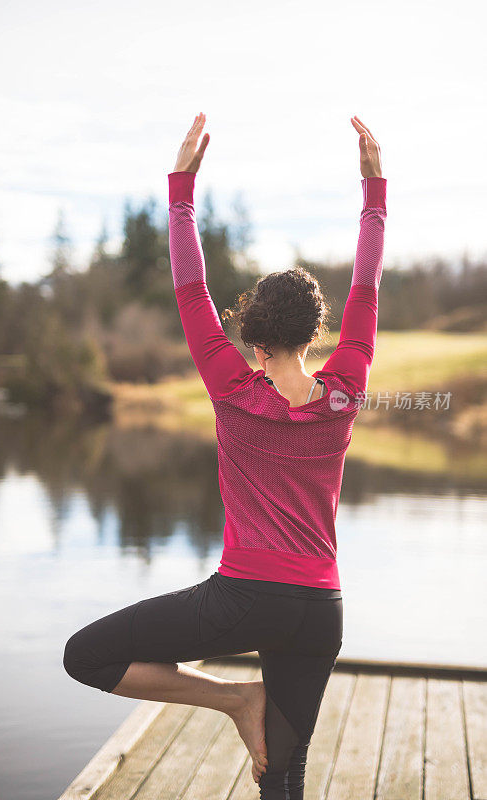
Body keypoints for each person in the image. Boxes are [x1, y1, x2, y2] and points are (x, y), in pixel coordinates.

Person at [63, 113, 387, 799]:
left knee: (86, 655)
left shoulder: (234, 388)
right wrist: (373, 190)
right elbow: (367, 289)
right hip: (322, 607)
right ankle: (247, 711)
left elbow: (190, 289)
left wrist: (181, 188)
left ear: (257, 341)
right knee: (284, 778)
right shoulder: (347, 388)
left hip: (245, 599)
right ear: (315, 332)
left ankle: (233, 701)